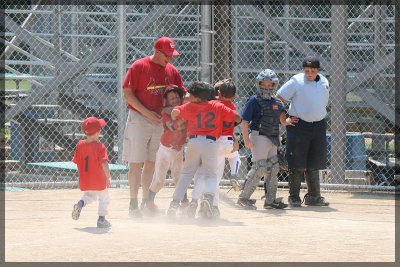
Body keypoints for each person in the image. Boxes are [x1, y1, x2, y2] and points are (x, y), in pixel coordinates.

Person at [122, 37, 185, 218]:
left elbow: (182, 93)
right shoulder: (139, 66)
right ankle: (133, 205)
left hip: (160, 122)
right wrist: (146, 112)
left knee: (151, 163)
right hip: (139, 119)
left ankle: (145, 203)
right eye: (167, 55)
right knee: (135, 163)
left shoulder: (172, 71)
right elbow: (127, 93)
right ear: (157, 51)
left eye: (172, 55)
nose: (170, 58)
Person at [166, 81, 241, 218]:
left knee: (187, 174)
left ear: (197, 98)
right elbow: (237, 118)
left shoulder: (190, 106)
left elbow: (175, 113)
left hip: (194, 141)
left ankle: (174, 204)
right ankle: (208, 198)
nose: (189, 96)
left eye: (191, 95)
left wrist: (176, 114)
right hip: (211, 143)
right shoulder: (217, 106)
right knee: (211, 174)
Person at [276, 56, 330, 207]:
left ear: (318, 70)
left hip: (318, 125)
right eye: (307, 70)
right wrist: (283, 120)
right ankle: (294, 196)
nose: (309, 73)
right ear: (303, 70)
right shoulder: (296, 81)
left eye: (313, 70)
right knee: (297, 162)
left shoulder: (324, 81)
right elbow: (278, 98)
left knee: (314, 162)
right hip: (299, 125)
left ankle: (314, 196)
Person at [236, 69, 289, 210]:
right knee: (259, 167)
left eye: (269, 84)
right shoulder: (254, 100)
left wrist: (278, 143)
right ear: (258, 84)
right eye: (263, 84)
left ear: (274, 85)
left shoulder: (277, 102)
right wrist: (246, 140)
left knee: (274, 168)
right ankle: (243, 198)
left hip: (272, 138)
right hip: (258, 136)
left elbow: (277, 123)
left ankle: (270, 200)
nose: (266, 87)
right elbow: (245, 121)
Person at [190, 78, 241, 218]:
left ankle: (204, 203)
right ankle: (233, 174)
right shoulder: (231, 107)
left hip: (207, 143)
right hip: (220, 144)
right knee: (214, 177)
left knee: (205, 177)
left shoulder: (210, 104)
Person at [143, 85, 188, 214]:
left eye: (177, 98)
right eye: (171, 98)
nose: (175, 100)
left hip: (179, 151)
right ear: (166, 102)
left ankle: (184, 203)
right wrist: (183, 116)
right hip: (165, 150)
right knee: (159, 180)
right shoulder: (166, 114)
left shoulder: (180, 110)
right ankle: (148, 203)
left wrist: (182, 111)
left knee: (178, 178)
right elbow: (173, 127)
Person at [72, 117, 112, 228]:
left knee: (89, 196)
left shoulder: (80, 145)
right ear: (98, 132)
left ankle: (79, 203)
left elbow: (76, 161)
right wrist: (108, 176)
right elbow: (104, 163)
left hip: (85, 181)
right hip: (99, 180)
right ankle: (101, 220)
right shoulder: (100, 147)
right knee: (104, 198)